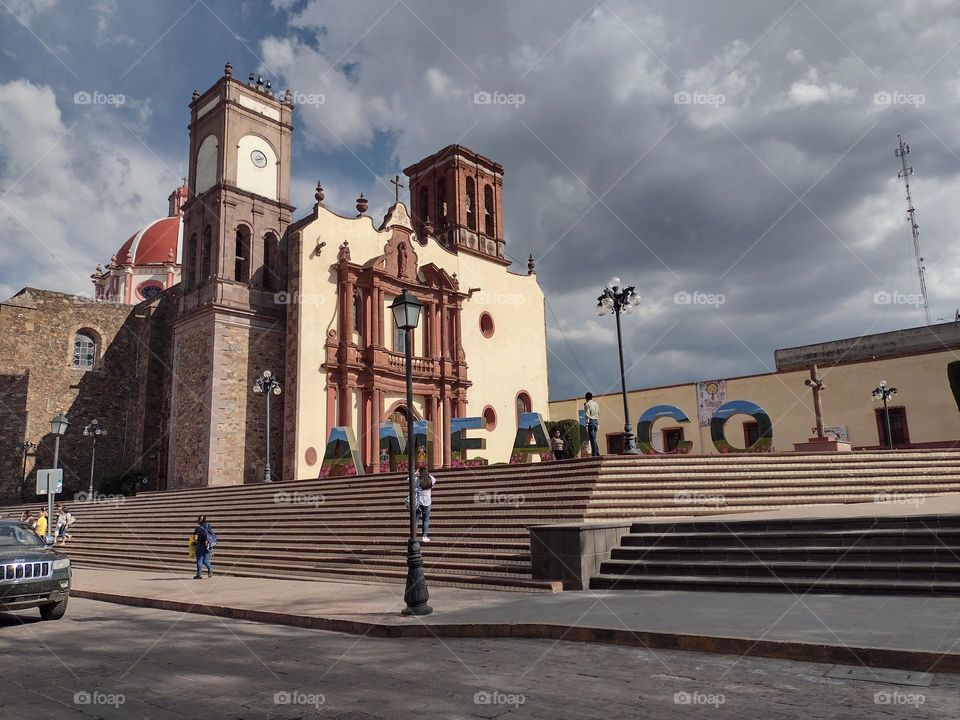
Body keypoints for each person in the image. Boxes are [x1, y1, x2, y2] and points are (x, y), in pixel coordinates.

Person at [415, 465, 436, 543]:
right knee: (425, 520)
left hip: (418, 502)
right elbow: (434, 479)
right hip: (427, 502)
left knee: (416, 520)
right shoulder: (431, 480)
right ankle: (424, 536)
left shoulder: (417, 479)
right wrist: (427, 474)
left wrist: (415, 473)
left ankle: (414, 536)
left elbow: (408, 479)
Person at [584, 392, 601, 457]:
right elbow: (599, 412)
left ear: (586, 398)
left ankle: (594, 453)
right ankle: (597, 452)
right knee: (594, 438)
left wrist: (587, 424)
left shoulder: (587, 404)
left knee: (592, 438)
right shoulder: (596, 404)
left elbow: (587, 414)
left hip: (591, 422)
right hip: (596, 422)